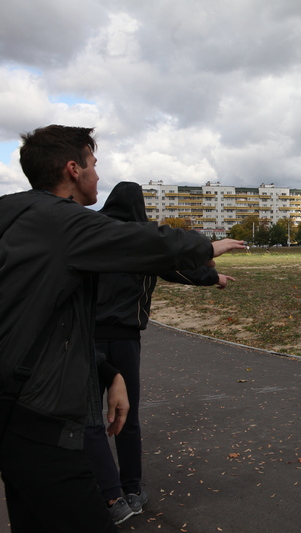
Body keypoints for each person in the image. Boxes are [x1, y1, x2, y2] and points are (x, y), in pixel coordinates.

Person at [0, 125, 245, 532]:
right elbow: (148, 242)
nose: (98, 175)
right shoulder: (64, 222)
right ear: (73, 169)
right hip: (39, 414)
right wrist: (206, 247)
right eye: (94, 165)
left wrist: (106, 371)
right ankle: (119, 493)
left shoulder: (13, 215)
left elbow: (46, 321)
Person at [83, 182, 236, 525]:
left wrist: (212, 277)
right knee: (127, 415)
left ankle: (111, 497)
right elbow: (176, 267)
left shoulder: (95, 237)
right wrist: (212, 277)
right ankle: (132, 490)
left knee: (90, 416)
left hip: (87, 337)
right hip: (124, 338)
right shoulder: (141, 243)